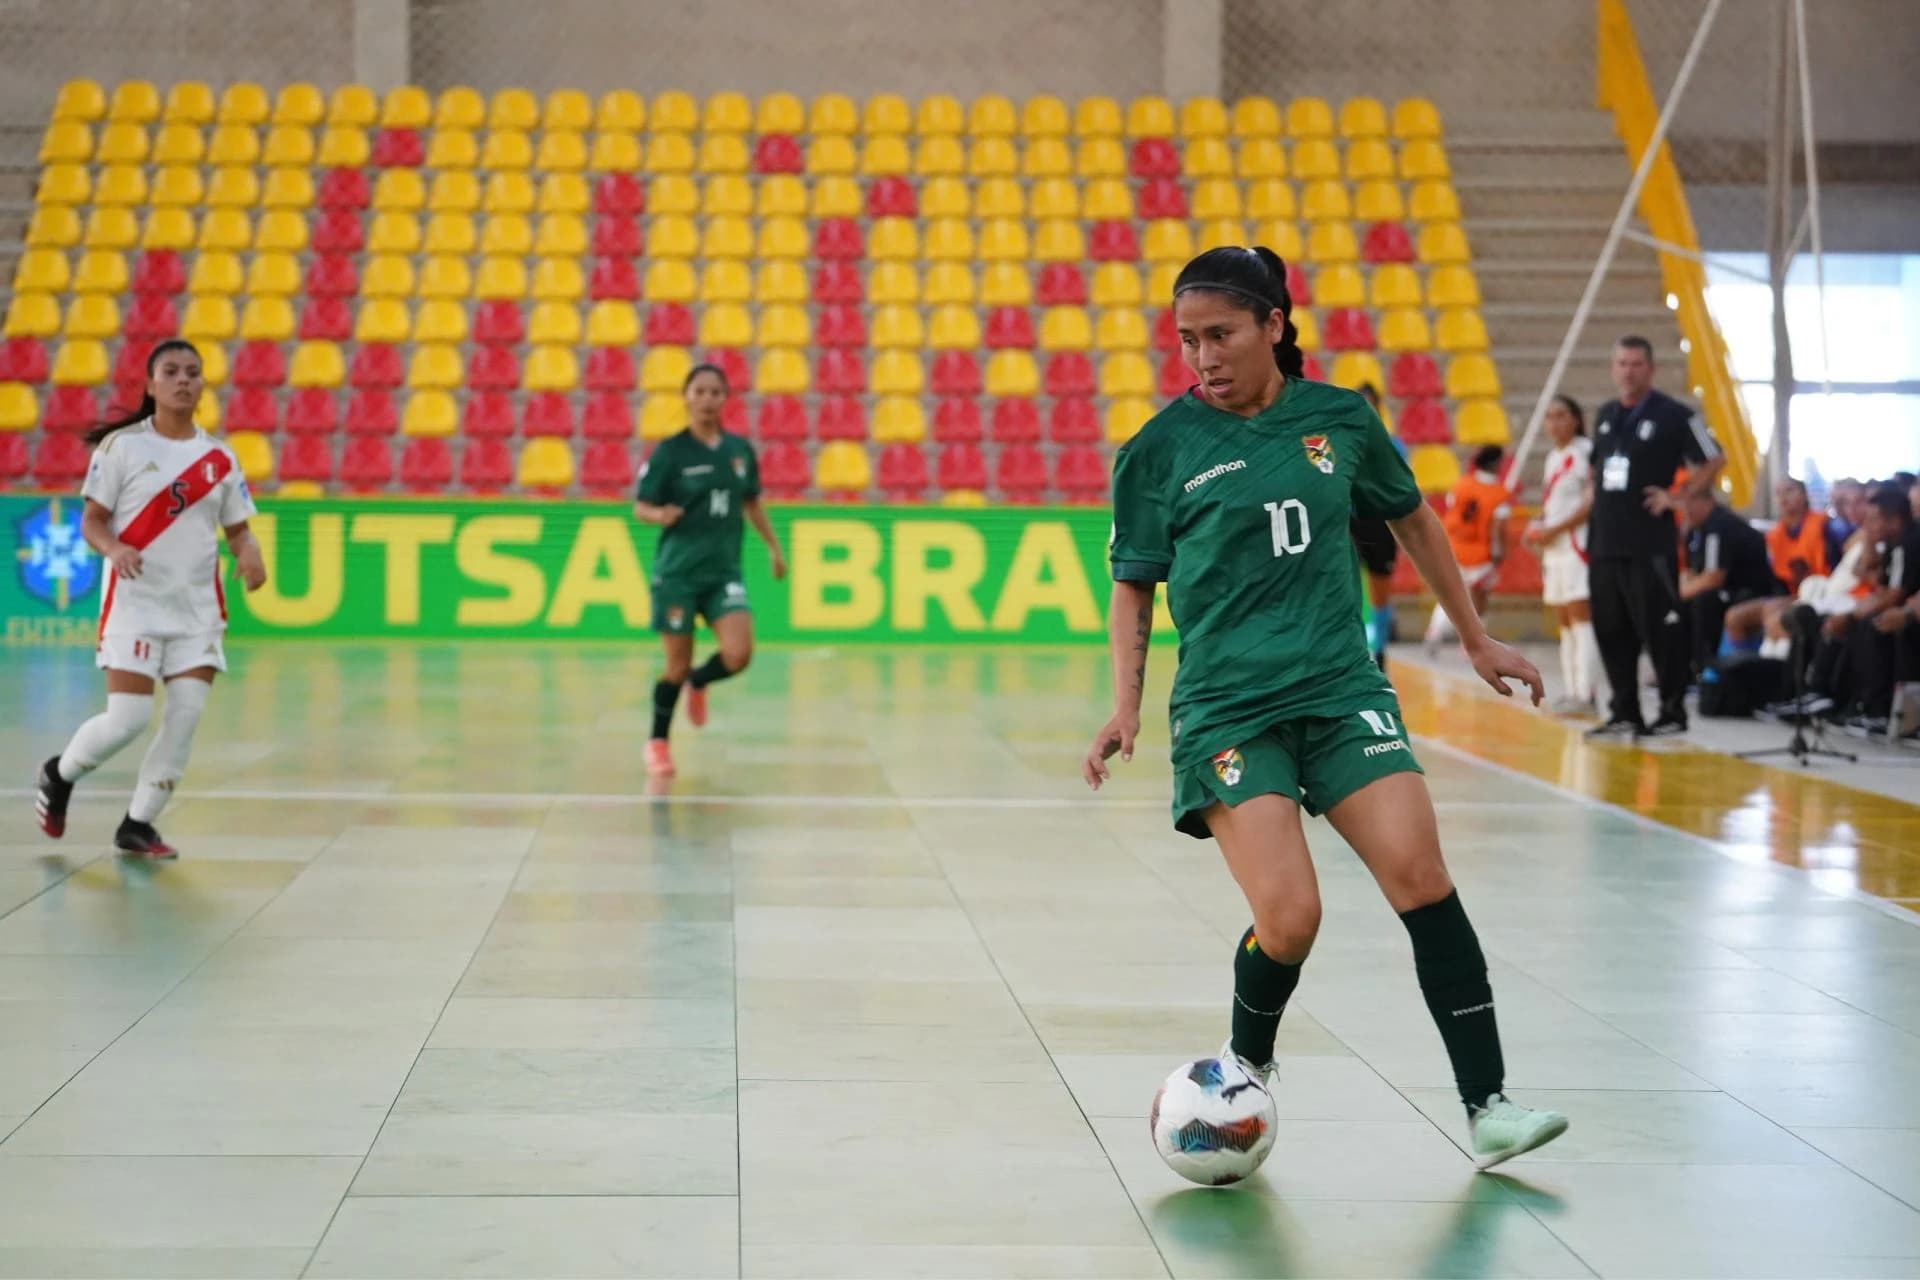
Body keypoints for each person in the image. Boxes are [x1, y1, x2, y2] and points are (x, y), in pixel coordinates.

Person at [1083, 246, 1567, 1171]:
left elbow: (1413, 518)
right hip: (1229, 710)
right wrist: (1125, 708)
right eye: (1188, 340)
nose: (1203, 357)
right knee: (1292, 917)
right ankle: (1245, 1063)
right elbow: (1134, 588)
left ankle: (1489, 1106)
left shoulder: (1342, 420)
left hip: (1342, 691)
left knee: (1421, 877)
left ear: (1274, 326)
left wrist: (1473, 636)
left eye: (1221, 335)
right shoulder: (1156, 452)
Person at [33, 339, 267, 858]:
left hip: (197, 613)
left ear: (203, 384)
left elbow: (237, 531)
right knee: (129, 719)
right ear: (150, 384)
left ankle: (137, 825)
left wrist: (249, 553)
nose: (183, 379)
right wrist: (114, 548)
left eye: (193, 372)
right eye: (171, 371)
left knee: (184, 718)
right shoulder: (123, 448)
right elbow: (93, 521)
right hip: (135, 606)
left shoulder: (219, 458)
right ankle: (59, 773)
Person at [633, 363, 786, 778]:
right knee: (674, 666)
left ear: (725, 399)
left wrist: (774, 547)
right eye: (699, 391)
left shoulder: (738, 452)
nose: (706, 399)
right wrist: (659, 514)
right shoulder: (670, 452)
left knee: (739, 654)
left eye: (715, 392)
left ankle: (699, 683)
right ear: (686, 397)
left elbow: (751, 502)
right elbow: (640, 506)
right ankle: (658, 742)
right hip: (678, 574)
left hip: (723, 573)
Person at [1584, 336, 1724, 738]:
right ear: (1613, 368)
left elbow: (1715, 457)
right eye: (1622, 363)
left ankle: (1672, 711)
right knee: (1611, 629)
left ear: (1651, 369)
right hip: (1606, 541)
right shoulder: (1607, 414)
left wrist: (1677, 497)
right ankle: (1625, 710)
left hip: (1649, 543)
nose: (1628, 371)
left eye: (1636, 364)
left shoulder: (1675, 414)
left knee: (1660, 630)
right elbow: (1601, 470)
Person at [1524, 394, 1601, 714]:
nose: (1554, 422)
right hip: (1554, 549)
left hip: (1576, 545)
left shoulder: (1585, 452)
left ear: (1576, 419)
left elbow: (1589, 502)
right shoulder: (1553, 457)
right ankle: (1572, 691)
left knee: (1582, 618)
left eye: (1561, 415)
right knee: (1564, 622)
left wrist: (1555, 529)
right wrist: (1540, 525)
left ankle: (1588, 695)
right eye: (1549, 416)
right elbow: (1554, 503)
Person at [1722, 478, 1839, 653]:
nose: (1784, 497)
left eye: (1790, 491)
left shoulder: (1827, 526)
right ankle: (1742, 671)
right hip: (1791, 594)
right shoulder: (1774, 535)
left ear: (1804, 495)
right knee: (1734, 617)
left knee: (1774, 617)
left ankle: (1776, 672)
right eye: (1778, 493)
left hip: (1823, 593)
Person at [1678, 491, 1778, 677]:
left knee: (1703, 601)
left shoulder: (1720, 526)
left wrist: (1682, 593)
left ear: (1707, 501)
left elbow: (1714, 578)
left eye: (1690, 503)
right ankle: (1681, 668)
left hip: (1750, 591)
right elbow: (1690, 572)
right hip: (1724, 590)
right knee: (1676, 605)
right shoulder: (1695, 529)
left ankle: (1705, 669)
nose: (1685, 510)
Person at [1424, 445, 1510, 654]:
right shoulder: (1499, 494)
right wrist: (1499, 553)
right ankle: (1472, 642)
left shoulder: (1462, 485)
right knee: (1480, 597)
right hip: (1480, 555)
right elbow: (1497, 528)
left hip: (1454, 549)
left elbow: (1452, 506)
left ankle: (1436, 631)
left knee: (1451, 593)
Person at [1349, 384, 1399, 669]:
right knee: (1347, 591)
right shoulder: (1337, 445)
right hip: (1348, 523)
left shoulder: (1393, 446)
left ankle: (1379, 652)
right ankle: (1354, 651)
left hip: (1380, 525)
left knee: (1381, 594)